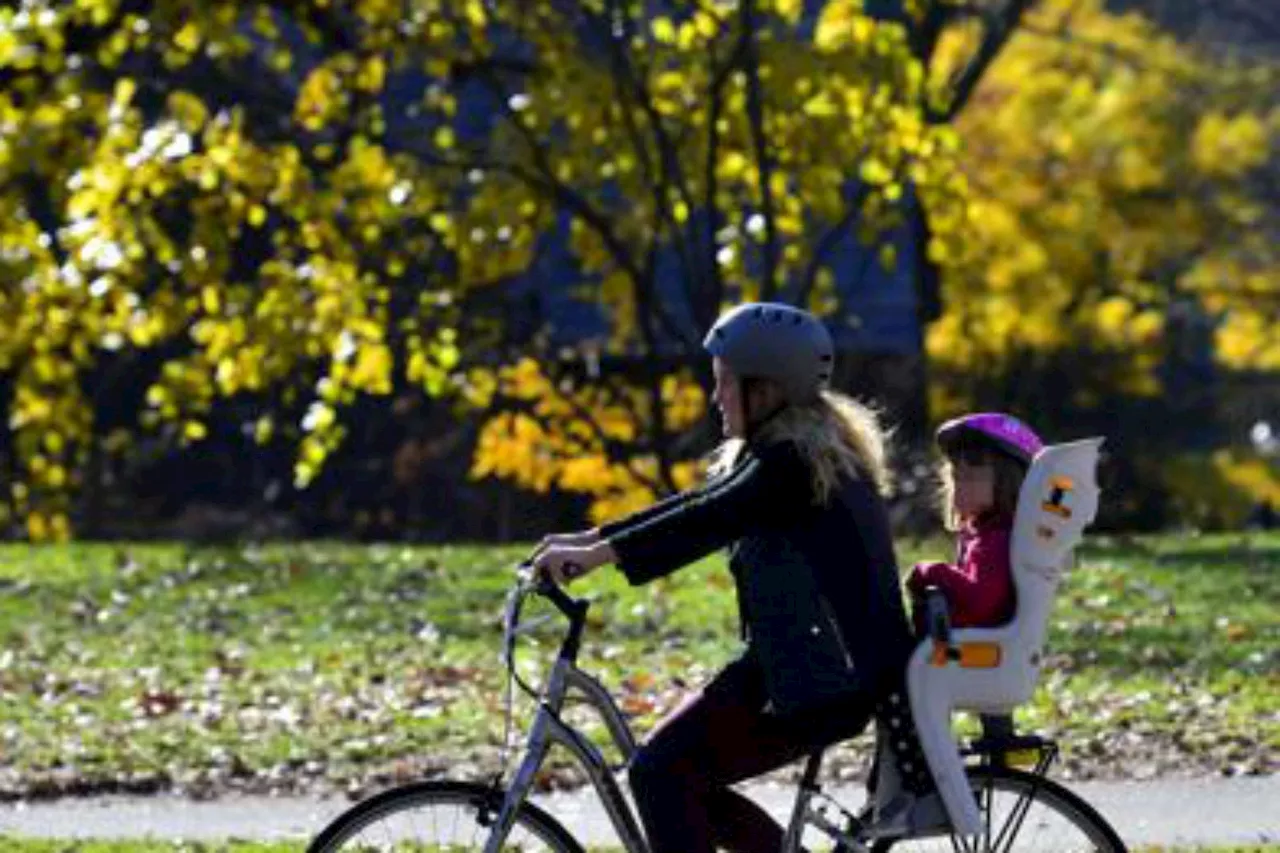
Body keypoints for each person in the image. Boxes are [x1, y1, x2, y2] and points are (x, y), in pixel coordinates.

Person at [530, 302, 933, 853]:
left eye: (725, 383)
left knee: (661, 773)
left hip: (821, 679)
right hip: (799, 663)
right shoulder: (794, 448)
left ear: (765, 390)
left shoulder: (793, 462)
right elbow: (703, 503)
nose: (715, 396)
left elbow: (710, 519)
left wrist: (597, 556)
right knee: (674, 773)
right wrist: (588, 541)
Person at [906, 412, 1043, 744]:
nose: (958, 484)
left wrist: (932, 572)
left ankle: (923, 756)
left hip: (975, 653)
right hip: (977, 650)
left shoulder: (995, 541)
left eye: (971, 476)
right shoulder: (986, 534)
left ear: (1007, 481)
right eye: (955, 475)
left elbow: (980, 601)